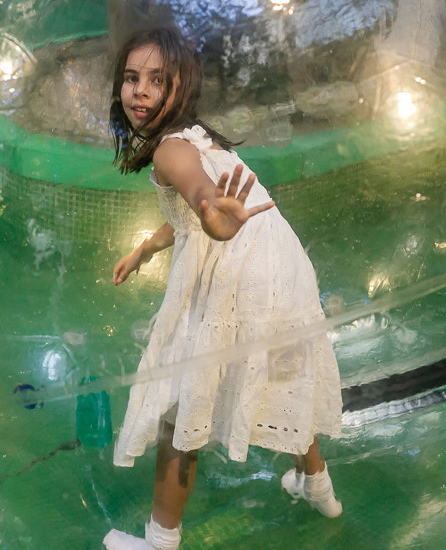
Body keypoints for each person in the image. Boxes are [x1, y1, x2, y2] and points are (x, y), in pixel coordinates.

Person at [102, 28, 344, 550]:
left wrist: (214, 216)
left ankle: (160, 541)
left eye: (156, 81)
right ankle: (318, 485)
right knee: (286, 378)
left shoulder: (170, 149)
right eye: (131, 78)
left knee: (180, 414)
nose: (140, 91)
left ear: (180, 88)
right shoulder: (199, 139)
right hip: (285, 272)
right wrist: (147, 248)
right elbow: (195, 211)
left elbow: (200, 196)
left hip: (242, 271)